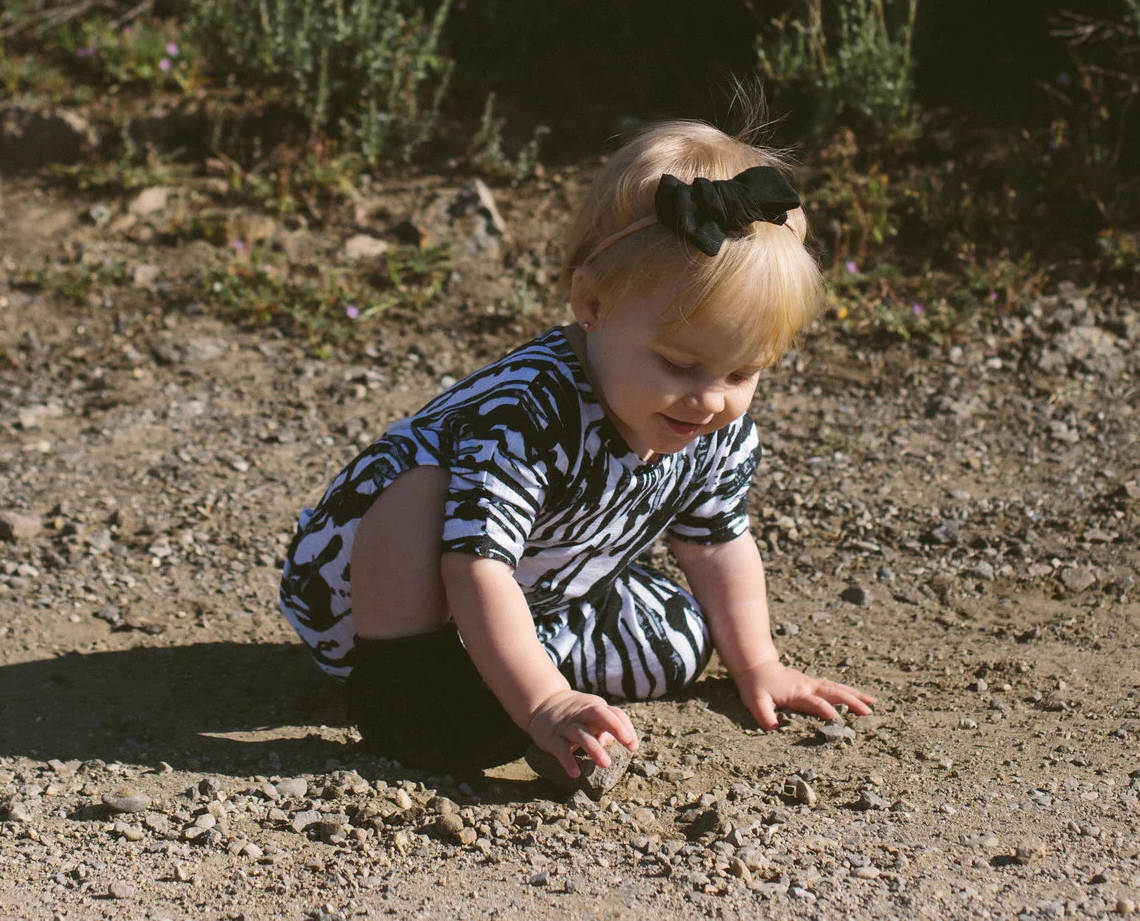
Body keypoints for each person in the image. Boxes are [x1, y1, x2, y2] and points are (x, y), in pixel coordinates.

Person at [277, 118, 872, 783]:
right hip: (382, 594)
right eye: (680, 363)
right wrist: (546, 701)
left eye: (742, 374)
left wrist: (759, 662)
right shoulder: (528, 412)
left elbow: (717, 543)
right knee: (418, 491)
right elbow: (477, 567)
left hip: (543, 582)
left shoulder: (713, 427)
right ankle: (410, 692)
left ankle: (503, 658)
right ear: (592, 302)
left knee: (682, 641)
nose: (709, 400)